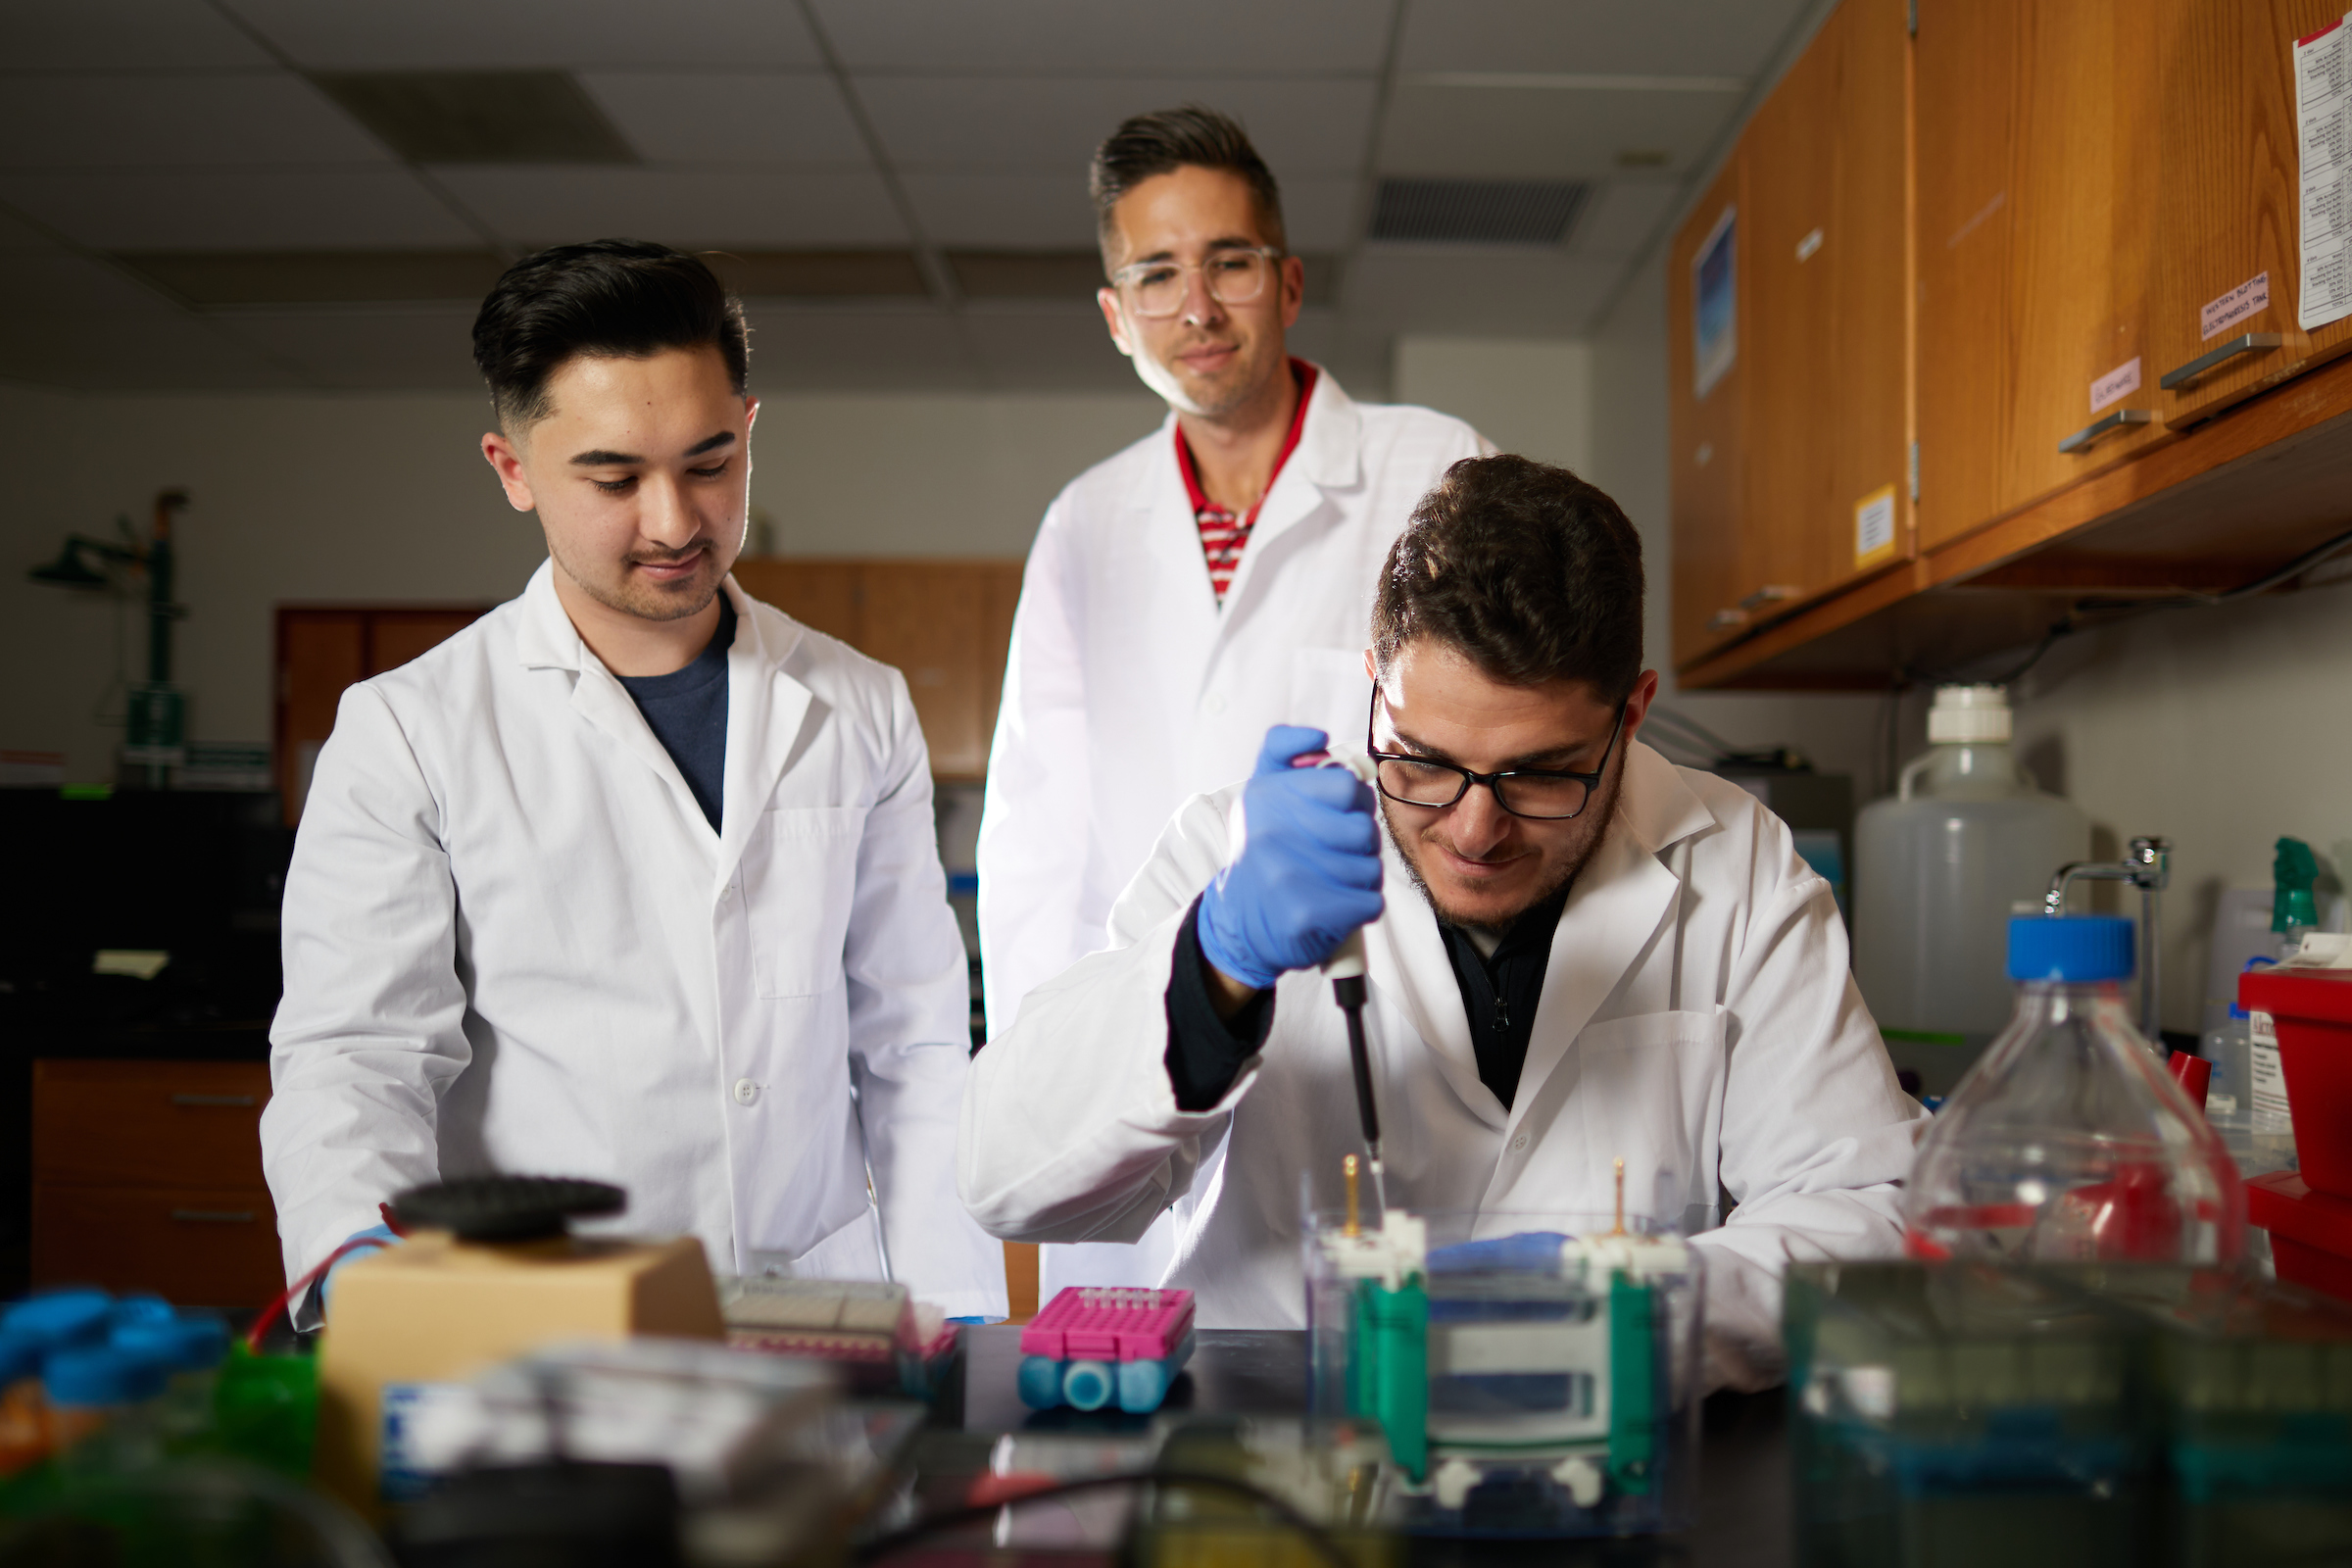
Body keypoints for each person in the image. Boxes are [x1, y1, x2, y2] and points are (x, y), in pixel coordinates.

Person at [960, 455, 1923, 1389]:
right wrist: (1214, 963)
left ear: (1632, 713)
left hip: (1605, 1444)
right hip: (1283, 1448)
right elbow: (1006, 1176)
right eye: (1423, 760)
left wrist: (1638, 1304)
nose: (1475, 828)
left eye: (1540, 772)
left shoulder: (1733, 859)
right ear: (1375, 681)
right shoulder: (1233, 846)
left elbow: (1864, 1213)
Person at [262, 240, 1004, 1321]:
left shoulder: (859, 704)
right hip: (545, 1322)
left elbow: (913, 1044)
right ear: (513, 471)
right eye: (614, 477)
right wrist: (357, 1257)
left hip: (814, 1320)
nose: (674, 521)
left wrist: (954, 1301)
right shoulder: (408, 730)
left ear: (749, 433)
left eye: (710, 464)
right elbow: (357, 1053)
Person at [977, 105, 1488, 1295]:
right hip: (1151, 1057)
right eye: (1154, 275)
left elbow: (1502, 759)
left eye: (1229, 263)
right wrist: (1057, 1094)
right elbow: (1038, 850)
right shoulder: (1084, 524)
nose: (1195, 307)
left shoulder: (1436, 467)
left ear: (1289, 281)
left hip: (1376, 1060)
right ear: (1116, 316)